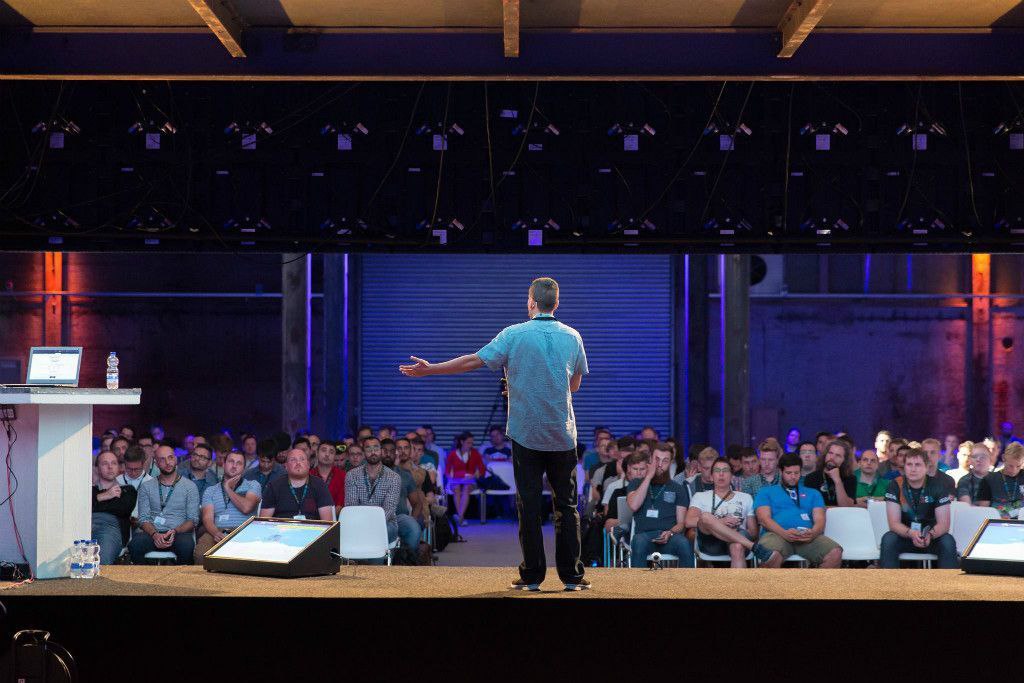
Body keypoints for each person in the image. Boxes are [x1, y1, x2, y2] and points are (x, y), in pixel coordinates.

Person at [400, 276, 589, 591]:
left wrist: (430, 369)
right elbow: (574, 385)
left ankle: (532, 576)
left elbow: (473, 361)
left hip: (526, 434)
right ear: (556, 303)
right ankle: (572, 577)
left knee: (528, 505)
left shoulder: (514, 334)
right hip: (562, 434)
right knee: (567, 507)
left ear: (531, 302)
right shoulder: (573, 336)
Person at [753, 453, 842, 568]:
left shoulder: (813, 493)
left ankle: (815, 581)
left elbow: (820, 520)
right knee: (772, 556)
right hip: (776, 535)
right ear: (780, 472)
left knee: (835, 553)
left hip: (806, 538)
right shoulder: (765, 492)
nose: (793, 476)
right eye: (789, 473)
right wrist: (784, 534)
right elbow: (764, 520)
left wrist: (813, 533)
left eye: (796, 473)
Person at [685, 458, 777, 567]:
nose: (721, 474)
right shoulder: (700, 496)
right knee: (705, 516)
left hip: (739, 537)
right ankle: (753, 547)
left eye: (725, 470)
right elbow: (689, 521)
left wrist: (735, 528)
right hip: (711, 542)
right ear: (711, 476)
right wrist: (720, 522)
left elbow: (753, 532)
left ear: (732, 476)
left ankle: (735, 580)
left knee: (737, 546)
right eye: (717, 470)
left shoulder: (745, 498)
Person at [880, 448, 957, 568]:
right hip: (905, 535)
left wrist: (930, 535)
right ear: (904, 467)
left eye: (918, 465)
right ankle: (887, 580)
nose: (913, 469)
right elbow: (893, 523)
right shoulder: (895, 485)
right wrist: (911, 533)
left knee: (948, 541)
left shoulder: (938, 486)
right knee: (888, 539)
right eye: (909, 464)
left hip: (931, 536)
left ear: (926, 467)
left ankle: (948, 580)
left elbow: (944, 524)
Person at [129, 445, 200, 565]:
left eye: (170, 457)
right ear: (156, 463)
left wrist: (174, 531)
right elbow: (143, 519)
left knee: (186, 545)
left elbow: (193, 520)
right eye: (162, 459)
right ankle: (143, 576)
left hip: (178, 533)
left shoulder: (190, 487)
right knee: (135, 544)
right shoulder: (146, 486)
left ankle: (181, 577)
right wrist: (155, 535)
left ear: (175, 459)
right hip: (152, 533)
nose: (167, 462)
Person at [625, 446, 694, 568]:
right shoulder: (636, 483)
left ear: (670, 463)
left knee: (684, 543)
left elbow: (681, 523)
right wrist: (648, 477)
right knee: (638, 542)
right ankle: (637, 581)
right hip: (644, 536)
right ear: (650, 460)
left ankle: (688, 581)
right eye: (657, 459)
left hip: (669, 537)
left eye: (665, 461)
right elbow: (634, 506)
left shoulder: (677, 488)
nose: (660, 464)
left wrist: (670, 533)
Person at [194, 450, 262, 562]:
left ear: (244, 468)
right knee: (201, 554)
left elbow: (246, 508)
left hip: (244, 531)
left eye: (239, 463)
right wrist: (216, 533)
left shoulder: (253, 485)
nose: (234, 466)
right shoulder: (211, 490)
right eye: (231, 461)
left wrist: (227, 488)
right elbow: (207, 519)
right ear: (224, 464)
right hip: (217, 531)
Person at [344, 437, 403, 561]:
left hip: (386, 524)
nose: (373, 452)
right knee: (347, 532)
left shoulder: (394, 477)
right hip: (358, 523)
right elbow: (351, 506)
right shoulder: (352, 475)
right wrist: (363, 525)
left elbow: (389, 509)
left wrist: (370, 526)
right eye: (368, 449)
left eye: (376, 448)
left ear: (381, 451)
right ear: (363, 453)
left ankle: (374, 570)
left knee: (378, 535)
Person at [259, 448, 334, 520]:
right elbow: (264, 522)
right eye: (293, 460)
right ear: (286, 466)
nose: (298, 463)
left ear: (308, 465)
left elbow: (327, 522)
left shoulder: (319, 485)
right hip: (281, 528)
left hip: (312, 528)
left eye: (302, 459)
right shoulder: (274, 486)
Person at [92, 451, 138, 564]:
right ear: (97, 469)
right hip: (83, 526)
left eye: (114, 463)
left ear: (119, 467)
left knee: (101, 560)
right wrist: (106, 495)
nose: (110, 467)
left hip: (109, 527)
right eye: (105, 463)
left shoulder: (127, 490)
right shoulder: (88, 490)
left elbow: (122, 509)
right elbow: (78, 508)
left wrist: (95, 501)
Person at [384, 437, 425, 551]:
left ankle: (407, 559)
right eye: (385, 451)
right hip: (376, 517)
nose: (388, 454)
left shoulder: (405, 475)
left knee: (413, 528)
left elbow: (417, 504)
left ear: (395, 453)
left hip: (400, 517)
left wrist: (413, 519)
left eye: (391, 451)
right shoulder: (371, 473)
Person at [444, 431, 485, 523]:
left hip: (470, 481)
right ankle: (461, 517)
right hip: (455, 481)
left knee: (466, 488)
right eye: (468, 443)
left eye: (472, 443)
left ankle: (459, 516)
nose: (470, 445)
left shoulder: (475, 453)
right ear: (462, 442)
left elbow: (482, 469)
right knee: (457, 488)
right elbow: (447, 471)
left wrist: (475, 475)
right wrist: (452, 478)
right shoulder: (452, 454)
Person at [976, 442, 1024, 519]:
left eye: (1018, 466)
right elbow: (983, 512)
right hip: (996, 522)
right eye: (1010, 465)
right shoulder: (988, 479)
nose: (1014, 470)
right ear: (1003, 458)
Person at [803, 439, 857, 507]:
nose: (832, 457)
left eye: (838, 455)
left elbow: (846, 507)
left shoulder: (850, 478)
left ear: (844, 460)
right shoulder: (811, 478)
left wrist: (837, 481)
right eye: (830, 453)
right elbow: (808, 506)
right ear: (825, 455)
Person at [116, 445, 152, 523]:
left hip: (144, 524)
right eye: (129, 469)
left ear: (143, 464)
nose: (133, 473)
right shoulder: (116, 481)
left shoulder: (151, 483)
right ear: (124, 464)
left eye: (137, 469)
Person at [310, 440, 346, 517]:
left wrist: (327, 519)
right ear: (317, 453)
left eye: (331, 452)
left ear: (335, 456)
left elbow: (340, 504)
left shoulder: (343, 476)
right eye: (323, 450)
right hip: (311, 519)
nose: (327, 454)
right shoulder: (309, 475)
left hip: (335, 519)